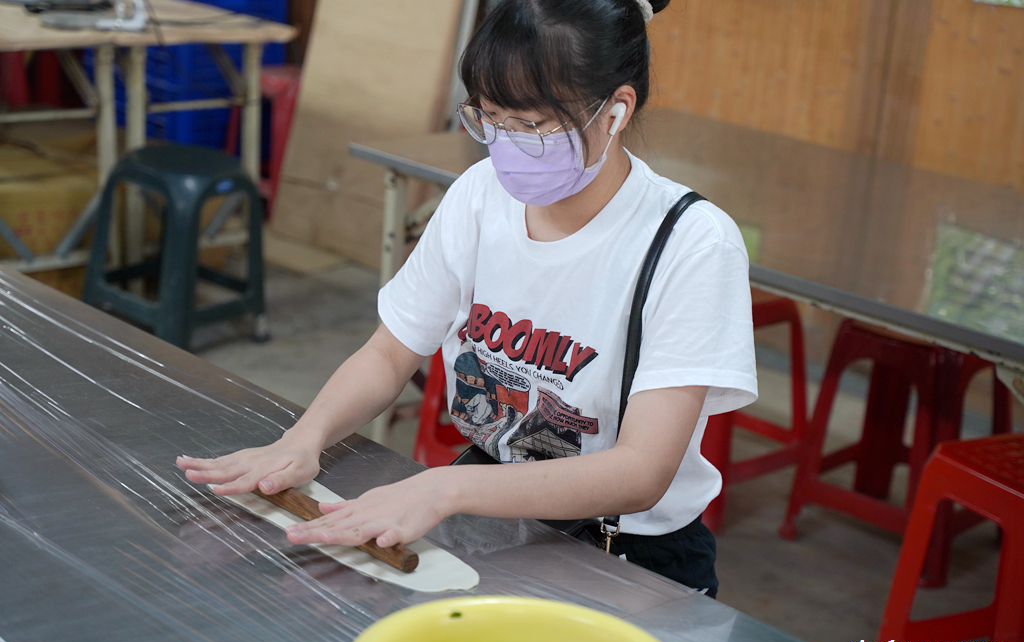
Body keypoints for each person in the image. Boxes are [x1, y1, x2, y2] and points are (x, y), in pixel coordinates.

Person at [177, 0, 756, 598]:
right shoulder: (480, 196)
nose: (505, 145)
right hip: (496, 517)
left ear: (614, 112)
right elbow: (390, 354)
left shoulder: (689, 243)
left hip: (629, 558)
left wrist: (441, 489)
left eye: (532, 125)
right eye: (490, 118)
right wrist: (303, 440)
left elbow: (641, 472)